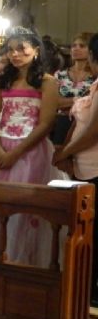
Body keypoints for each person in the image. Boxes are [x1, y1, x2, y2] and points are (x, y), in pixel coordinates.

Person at [0, 27, 60, 267]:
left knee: (23, 210)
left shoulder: (48, 83)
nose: (15, 54)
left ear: (36, 51)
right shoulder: (4, 81)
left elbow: (46, 123)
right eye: (11, 50)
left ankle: (20, 264)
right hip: (1, 148)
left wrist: (17, 152)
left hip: (31, 150)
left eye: (21, 48)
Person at [53, 33, 98, 305]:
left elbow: (93, 132)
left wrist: (65, 152)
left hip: (94, 167)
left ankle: (89, 298)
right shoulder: (94, 87)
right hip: (85, 169)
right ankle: (86, 292)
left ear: (93, 56)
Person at [50, 32, 96, 144]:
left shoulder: (95, 76)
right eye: (74, 46)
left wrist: (65, 102)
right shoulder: (59, 75)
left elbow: (94, 102)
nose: (76, 48)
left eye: (82, 46)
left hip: (86, 123)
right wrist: (80, 100)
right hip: (61, 123)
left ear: (91, 51)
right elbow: (54, 102)